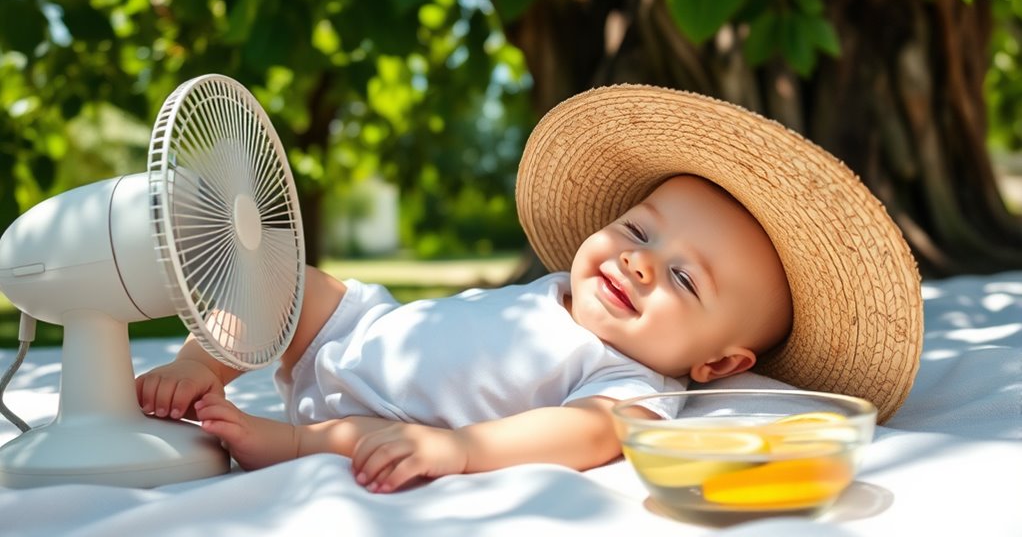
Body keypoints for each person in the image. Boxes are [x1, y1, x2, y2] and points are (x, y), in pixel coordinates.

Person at [136, 85, 924, 494]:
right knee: (288, 278)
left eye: (684, 277)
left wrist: (461, 449)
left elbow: (583, 435)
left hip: (382, 415)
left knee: (356, 441)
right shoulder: (561, 289)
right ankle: (207, 362)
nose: (640, 262)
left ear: (717, 366)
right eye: (639, 230)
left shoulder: (633, 382)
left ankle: (284, 439)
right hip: (363, 327)